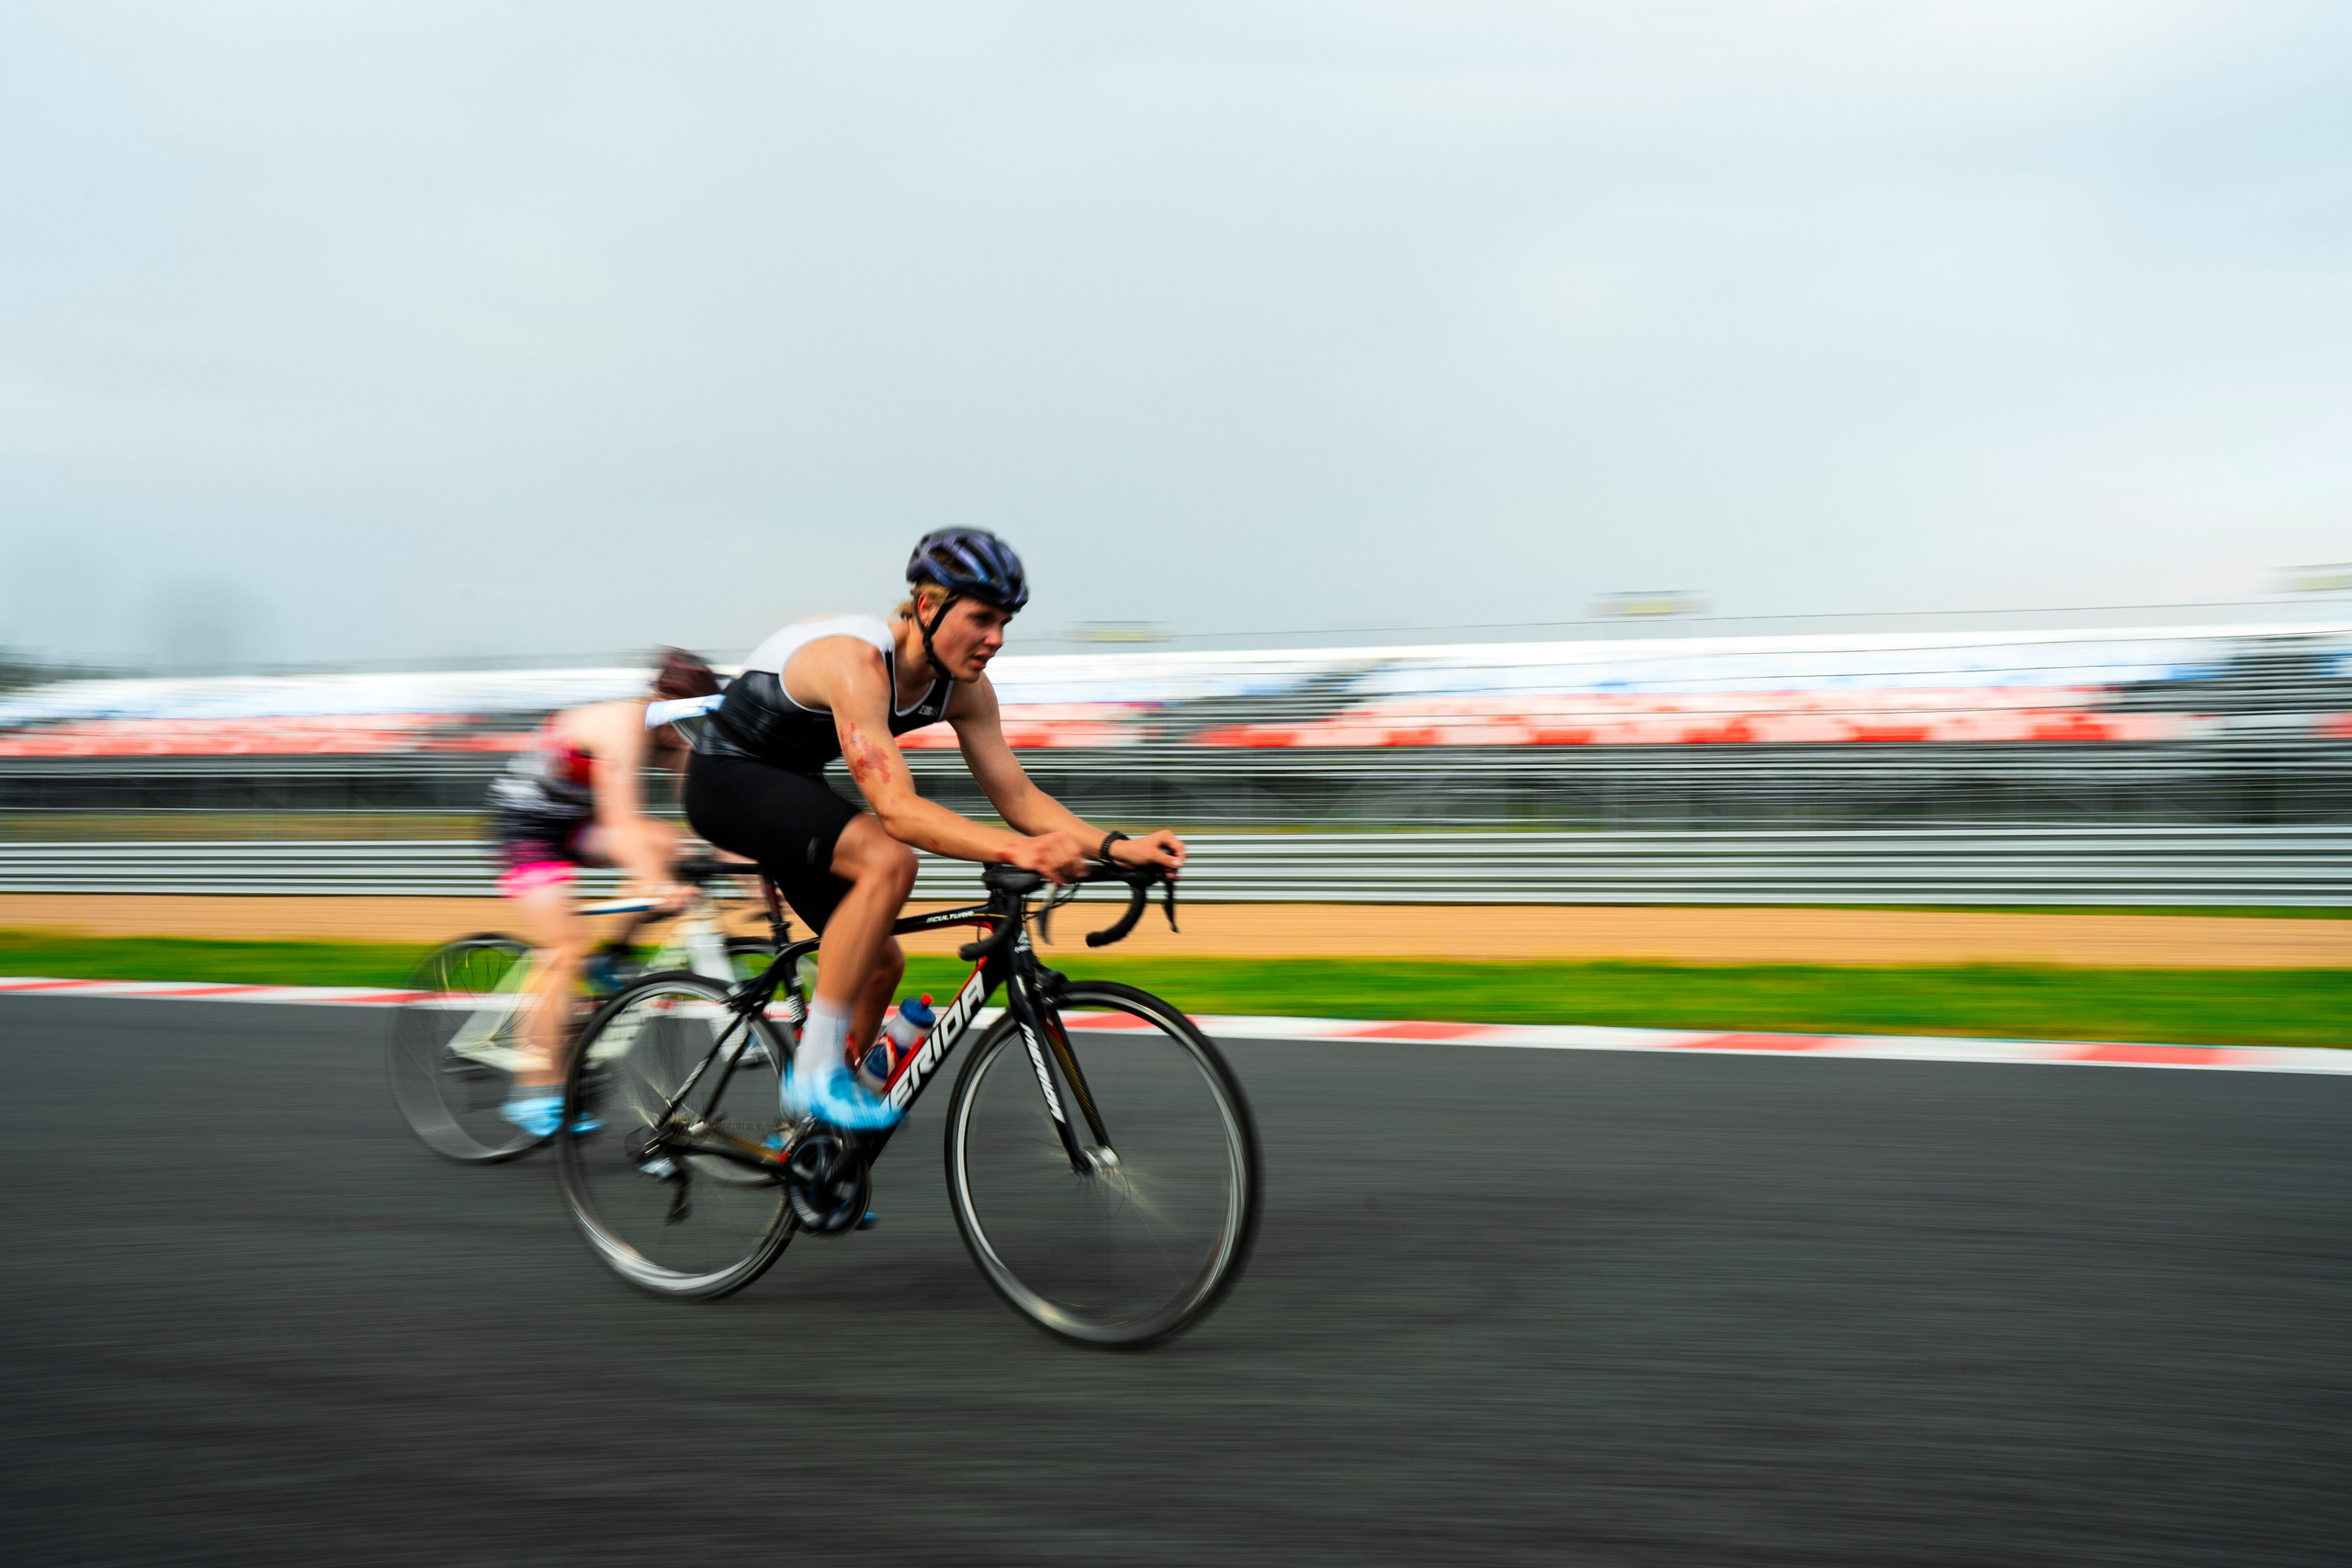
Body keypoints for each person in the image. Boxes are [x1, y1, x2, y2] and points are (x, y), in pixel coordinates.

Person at [683, 529, 1185, 1130]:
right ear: (927, 607)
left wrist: (1117, 847)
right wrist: (1022, 850)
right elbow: (896, 811)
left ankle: (816, 1141)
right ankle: (814, 1074)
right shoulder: (858, 662)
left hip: (793, 784)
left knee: (879, 966)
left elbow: (1018, 796)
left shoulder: (965, 689)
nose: (996, 638)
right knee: (889, 860)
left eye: (1004, 622)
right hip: (726, 778)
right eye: (981, 619)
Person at [488, 648, 721, 1136]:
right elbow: (622, 822)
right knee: (565, 949)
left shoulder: (671, 738)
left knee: (671, 847)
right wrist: (657, 884)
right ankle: (534, 1088)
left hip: (574, 823)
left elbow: (711, 822)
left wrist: (754, 874)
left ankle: (612, 956)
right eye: (687, 715)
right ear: (661, 702)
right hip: (527, 827)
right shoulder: (623, 726)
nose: (692, 729)